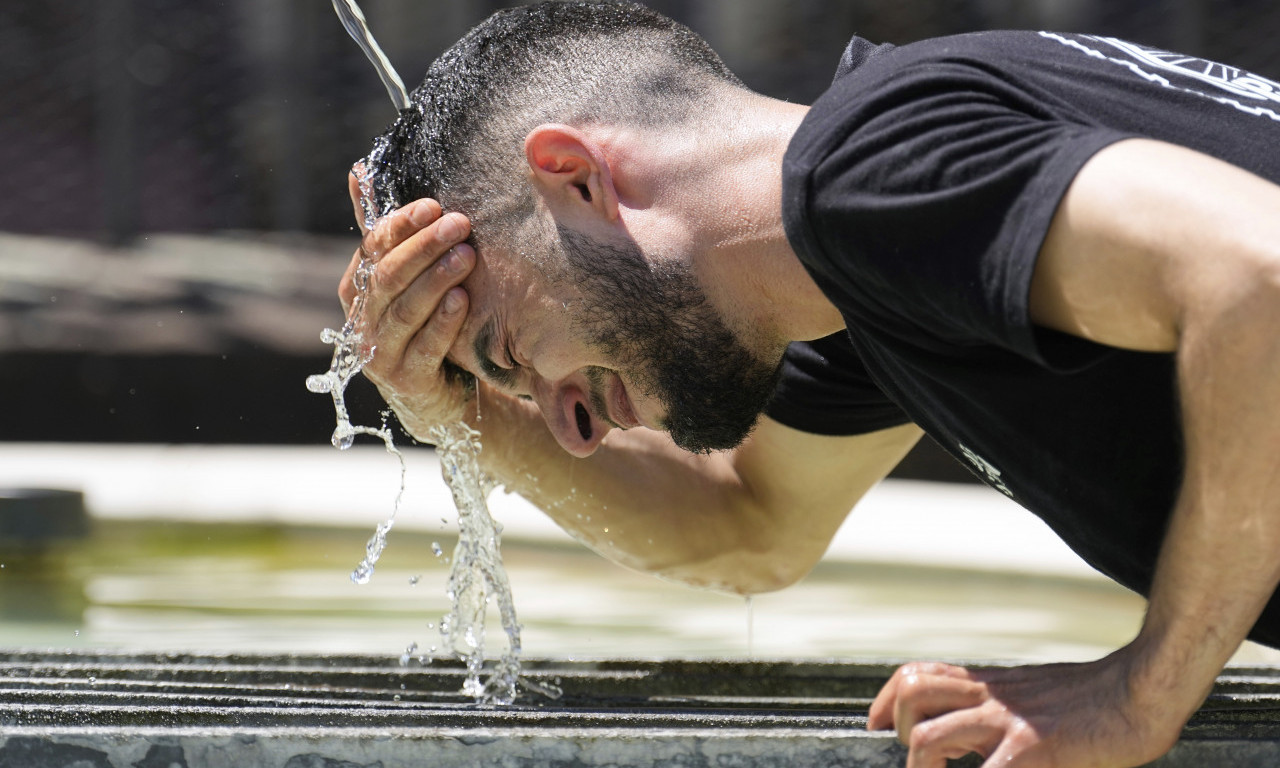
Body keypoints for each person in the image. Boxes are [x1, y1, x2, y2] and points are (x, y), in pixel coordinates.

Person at [335, 2, 1280, 765]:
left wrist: (1143, 693)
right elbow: (751, 530)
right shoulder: (866, 277)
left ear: (576, 178)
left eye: (509, 350)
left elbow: (1258, 281)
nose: (571, 427)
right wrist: (458, 414)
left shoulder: (871, 168)